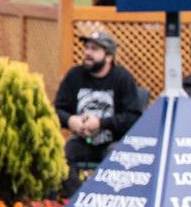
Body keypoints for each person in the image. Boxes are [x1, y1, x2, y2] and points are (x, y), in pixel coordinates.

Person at [54, 25, 146, 178]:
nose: (88, 53)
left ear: (109, 56)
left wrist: (100, 123)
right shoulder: (74, 75)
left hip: (113, 141)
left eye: (94, 49)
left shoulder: (122, 78)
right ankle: (72, 198)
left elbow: (133, 117)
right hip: (82, 141)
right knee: (61, 156)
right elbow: (57, 110)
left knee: (116, 156)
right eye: (87, 48)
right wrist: (70, 120)